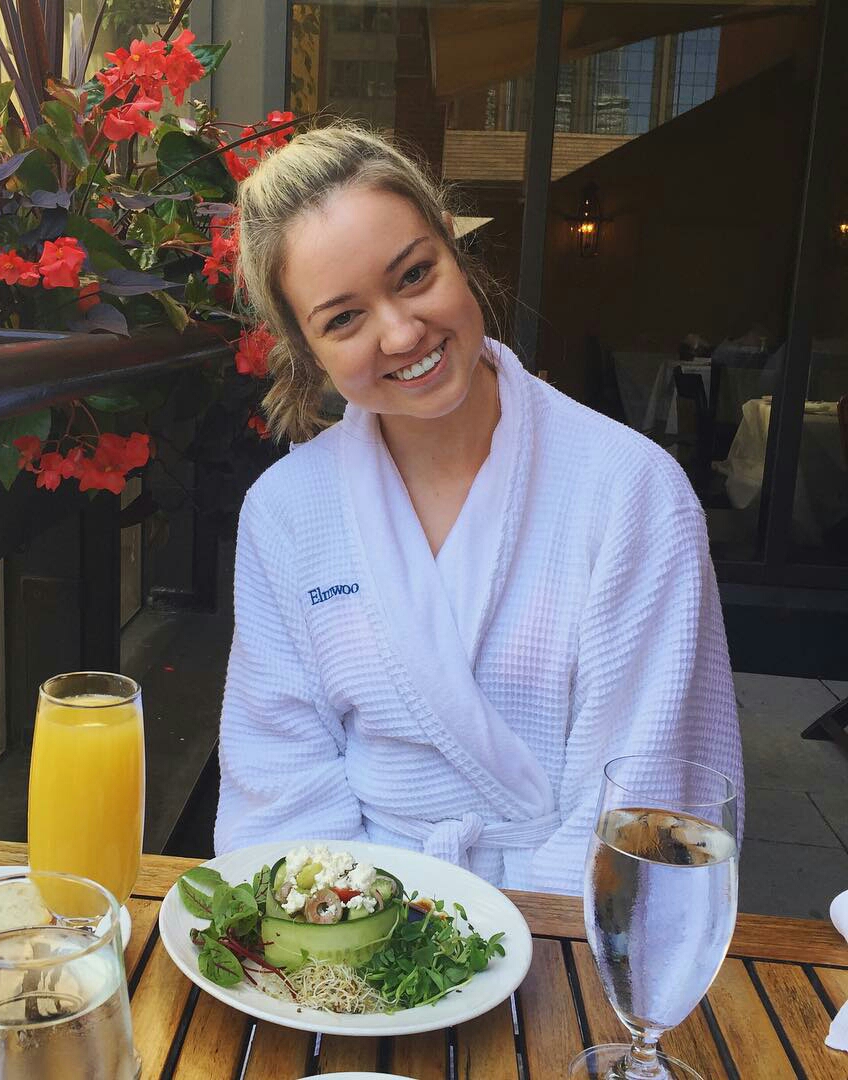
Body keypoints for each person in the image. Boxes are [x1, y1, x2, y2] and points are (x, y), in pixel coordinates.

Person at [213, 123, 743, 894]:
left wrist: (510, 944)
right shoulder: (286, 512)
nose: (402, 332)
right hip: (357, 924)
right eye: (344, 318)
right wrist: (372, 935)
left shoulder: (633, 491)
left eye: (414, 274)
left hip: (567, 920)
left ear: (453, 249)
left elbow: (646, 788)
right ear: (306, 345)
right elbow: (280, 786)